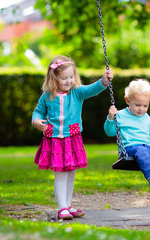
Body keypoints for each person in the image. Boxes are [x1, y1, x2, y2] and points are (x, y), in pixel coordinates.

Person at [32, 55, 113, 220]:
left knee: (71, 174)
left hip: (72, 139)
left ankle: (67, 205)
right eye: (64, 78)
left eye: (71, 77)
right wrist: (36, 121)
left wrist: (104, 81)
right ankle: (62, 208)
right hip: (54, 140)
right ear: (53, 78)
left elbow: (93, 89)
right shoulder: (47, 96)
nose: (69, 81)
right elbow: (38, 111)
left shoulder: (76, 93)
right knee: (60, 175)